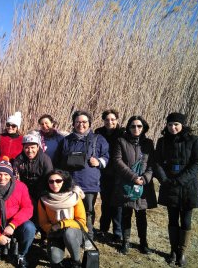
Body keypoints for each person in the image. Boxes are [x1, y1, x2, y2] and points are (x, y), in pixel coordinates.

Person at [154, 112, 198, 267]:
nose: (173, 128)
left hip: (188, 187)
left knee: (186, 221)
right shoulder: (162, 142)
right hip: (169, 186)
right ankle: (173, 250)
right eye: (170, 125)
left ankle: (182, 252)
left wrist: (181, 180)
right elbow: (156, 162)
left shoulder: (194, 140)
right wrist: (164, 179)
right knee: (172, 219)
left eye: (176, 124)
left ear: (182, 125)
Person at [55, 110, 109, 243]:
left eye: (84, 122)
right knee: (69, 211)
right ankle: (71, 238)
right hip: (70, 183)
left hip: (89, 183)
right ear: (73, 123)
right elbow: (58, 161)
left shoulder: (98, 139)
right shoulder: (66, 140)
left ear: (89, 123)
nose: (81, 124)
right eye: (77, 122)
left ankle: (88, 238)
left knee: (87, 212)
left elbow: (107, 156)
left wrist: (100, 162)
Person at [112, 115, 157, 255]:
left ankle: (143, 243)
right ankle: (125, 242)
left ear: (143, 128)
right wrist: (133, 177)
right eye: (133, 126)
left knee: (141, 214)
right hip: (127, 183)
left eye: (139, 126)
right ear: (128, 127)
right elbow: (117, 161)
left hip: (143, 184)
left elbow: (152, 163)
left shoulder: (149, 143)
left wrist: (145, 178)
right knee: (126, 213)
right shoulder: (121, 141)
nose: (136, 128)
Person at [0, 158, 36, 268]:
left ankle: (21, 254)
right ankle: (0, 246)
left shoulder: (21, 187)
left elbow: (28, 208)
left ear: (11, 175)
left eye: (6, 174)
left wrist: (12, 225)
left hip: (16, 225)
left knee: (30, 227)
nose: (2, 178)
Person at [38, 170, 87, 268]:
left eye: (58, 181)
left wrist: (62, 224)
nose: (54, 184)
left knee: (69, 233)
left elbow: (81, 221)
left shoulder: (74, 196)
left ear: (64, 181)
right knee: (55, 260)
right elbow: (43, 222)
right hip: (55, 232)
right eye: (51, 181)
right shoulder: (43, 200)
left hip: (74, 231)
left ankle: (76, 261)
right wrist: (51, 229)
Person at [94, 109, 124, 242]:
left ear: (117, 120)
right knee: (105, 202)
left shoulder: (123, 133)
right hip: (104, 172)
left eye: (112, 119)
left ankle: (117, 232)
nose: (109, 122)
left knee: (117, 204)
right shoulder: (98, 133)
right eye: (107, 119)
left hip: (119, 173)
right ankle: (103, 229)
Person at [13, 134, 53, 229]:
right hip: (25, 190)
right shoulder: (19, 159)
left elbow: (49, 177)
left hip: (42, 189)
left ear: (38, 147)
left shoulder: (45, 159)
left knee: (41, 208)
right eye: (26, 147)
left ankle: (44, 231)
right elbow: (16, 178)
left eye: (32, 147)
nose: (30, 151)